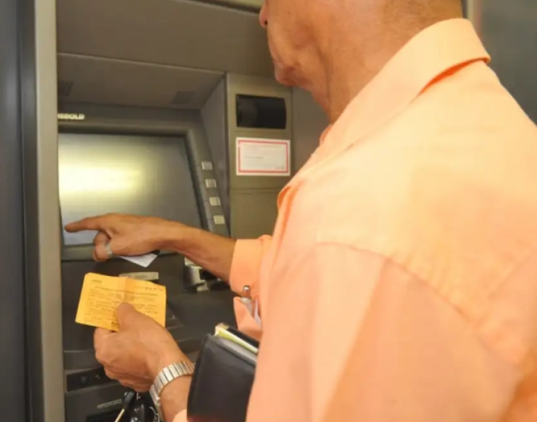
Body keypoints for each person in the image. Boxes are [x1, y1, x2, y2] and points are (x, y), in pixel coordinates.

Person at [65, 0, 537, 421]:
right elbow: (312, 273)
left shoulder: (363, 209)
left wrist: (165, 370)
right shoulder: (491, 132)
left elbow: (351, 254)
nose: (265, 15)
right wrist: (175, 236)